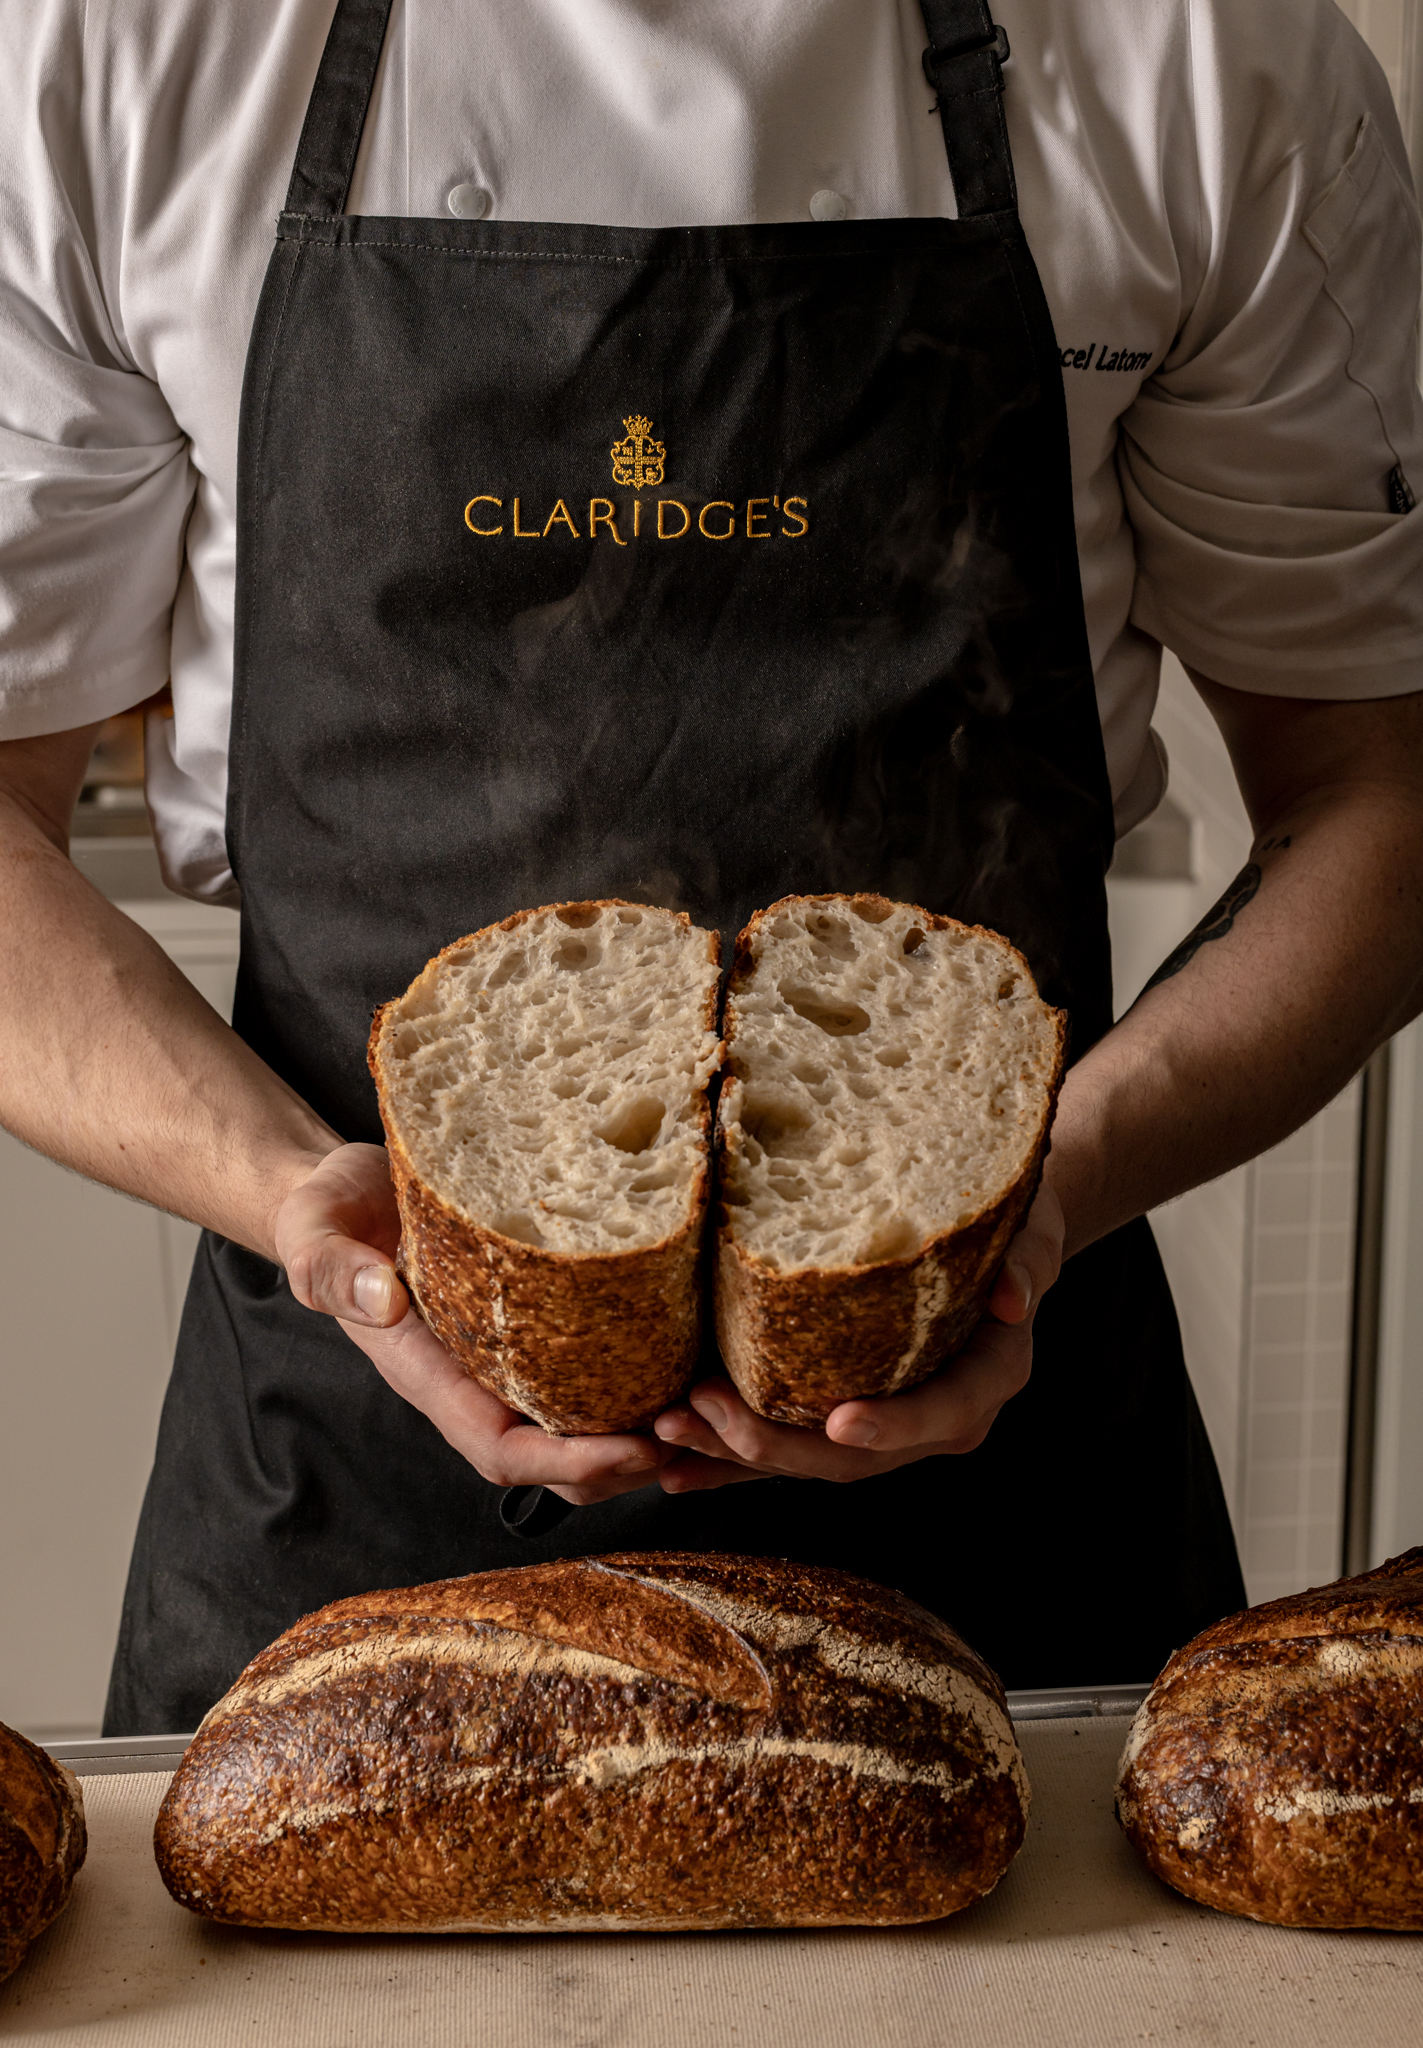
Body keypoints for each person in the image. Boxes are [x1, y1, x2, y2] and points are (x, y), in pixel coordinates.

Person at [1, 0, 1421, 1733]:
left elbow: (1381, 794)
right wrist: (300, 1203)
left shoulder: (1208, 55)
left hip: (1012, 1500)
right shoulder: (120, 51)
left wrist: (1051, 1201)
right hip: (343, 1516)